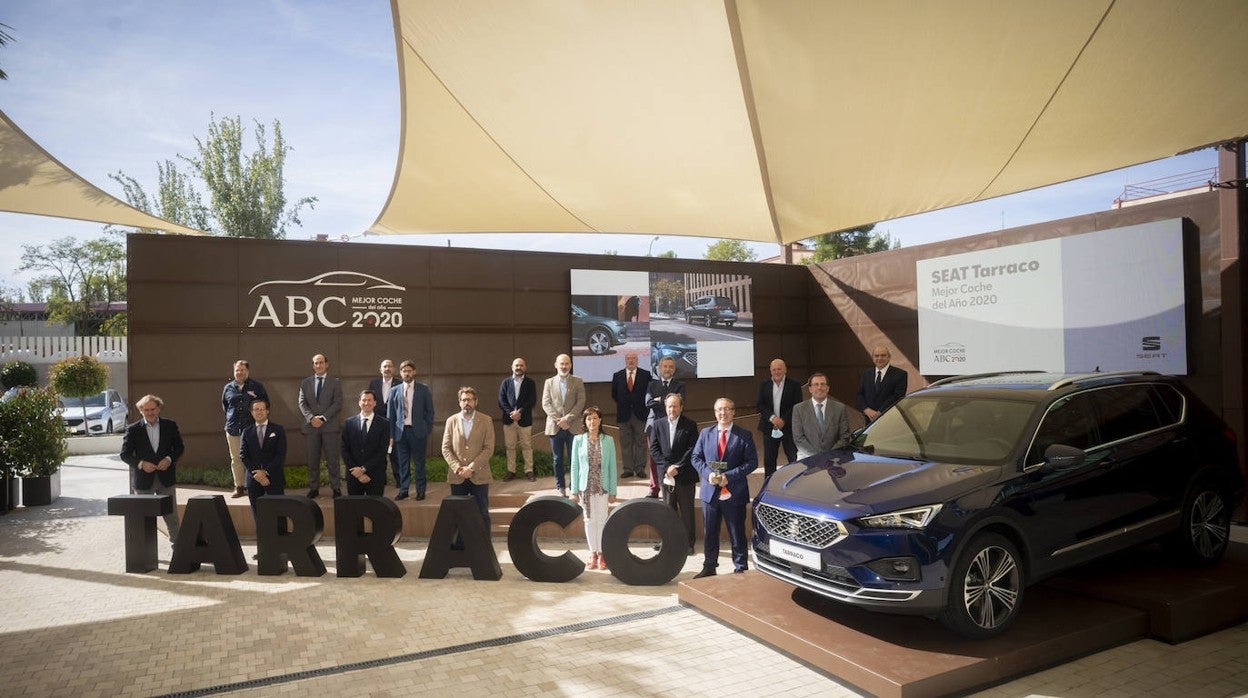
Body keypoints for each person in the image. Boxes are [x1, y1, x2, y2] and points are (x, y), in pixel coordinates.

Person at [691, 397, 758, 577]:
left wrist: (729, 476)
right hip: (710, 493)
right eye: (719, 410)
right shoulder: (705, 433)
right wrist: (709, 474)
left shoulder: (744, 435)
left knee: (737, 533)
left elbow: (752, 463)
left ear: (733, 412)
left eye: (727, 409)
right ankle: (709, 567)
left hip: (734, 493)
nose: (723, 413)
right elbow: (695, 458)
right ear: (715, 413)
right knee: (710, 532)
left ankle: (740, 568)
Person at [120, 394, 186, 542]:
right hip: (143, 481)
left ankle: (178, 550)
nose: (150, 413)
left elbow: (179, 448)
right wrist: (141, 464)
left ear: (159, 409)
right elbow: (125, 455)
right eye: (146, 410)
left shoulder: (170, 425)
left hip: (166, 479)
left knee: (172, 516)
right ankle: (145, 556)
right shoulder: (133, 430)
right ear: (141, 411)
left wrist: (169, 459)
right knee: (143, 518)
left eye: (153, 409)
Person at [648, 393, 699, 555]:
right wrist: (667, 466)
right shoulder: (657, 424)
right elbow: (654, 449)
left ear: (681, 407)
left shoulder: (690, 425)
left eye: (675, 406)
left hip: (684, 475)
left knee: (687, 511)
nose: (672, 409)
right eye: (669, 406)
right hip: (666, 476)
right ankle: (668, 541)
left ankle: (688, 544)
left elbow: (693, 449)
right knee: (668, 511)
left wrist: (678, 466)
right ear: (665, 407)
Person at [442, 387, 495, 540]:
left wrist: (471, 468)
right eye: (464, 400)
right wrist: (458, 468)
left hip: (479, 474)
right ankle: (460, 548)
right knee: (458, 513)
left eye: (470, 400)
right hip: (457, 476)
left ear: (476, 402)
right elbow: (446, 448)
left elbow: (488, 448)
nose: (467, 403)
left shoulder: (486, 420)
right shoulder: (451, 421)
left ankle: (485, 548)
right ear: (459, 403)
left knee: (482, 513)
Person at [570, 406, 617, 571]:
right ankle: (593, 554)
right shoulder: (578, 440)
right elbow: (574, 466)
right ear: (585, 421)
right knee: (589, 520)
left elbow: (612, 467)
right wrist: (574, 490)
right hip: (586, 487)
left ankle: (603, 553)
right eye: (589, 419)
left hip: (602, 486)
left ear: (600, 420)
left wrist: (613, 491)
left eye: (595, 418)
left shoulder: (608, 440)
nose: (592, 421)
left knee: (602, 520)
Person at [297, 353, 343, 498]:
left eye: (321, 362)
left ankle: (336, 488)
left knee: (332, 459)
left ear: (326, 364)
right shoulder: (305, 382)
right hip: (311, 427)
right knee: (312, 459)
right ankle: (314, 488)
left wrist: (323, 418)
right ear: (313, 365)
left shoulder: (335, 382)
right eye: (316, 363)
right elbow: (302, 403)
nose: (318, 365)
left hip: (329, 426)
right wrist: (311, 418)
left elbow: (338, 403)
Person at [387, 359, 435, 501]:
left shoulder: (423, 389)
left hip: (418, 432)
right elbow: (391, 415)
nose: (406, 373)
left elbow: (430, 411)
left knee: (419, 463)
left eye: (409, 370)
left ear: (414, 372)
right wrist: (391, 435)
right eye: (404, 371)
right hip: (400, 433)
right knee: (403, 464)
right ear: (400, 373)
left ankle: (421, 490)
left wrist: (426, 428)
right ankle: (404, 490)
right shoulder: (394, 391)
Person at [221, 359, 268, 499]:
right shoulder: (228, 388)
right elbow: (225, 407)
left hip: (252, 429)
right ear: (233, 371)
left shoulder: (257, 386)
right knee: (236, 459)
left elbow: (265, 404)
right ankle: (239, 487)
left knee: (254, 458)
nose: (239, 372)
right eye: (237, 370)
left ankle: (254, 486)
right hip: (233, 429)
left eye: (242, 370)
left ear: (247, 371)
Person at [541, 353, 585, 497]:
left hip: (573, 427)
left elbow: (581, 402)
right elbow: (545, 403)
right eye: (562, 364)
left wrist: (568, 419)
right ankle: (560, 487)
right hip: (555, 427)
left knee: (575, 459)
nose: (564, 366)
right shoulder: (549, 382)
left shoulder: (578, 381)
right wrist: (559, 420)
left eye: (567, 364)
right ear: (556, 365)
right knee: (557, 459)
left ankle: (574, 487)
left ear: (570, 365)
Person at [644, 356, 685, 496]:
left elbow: (679, 402)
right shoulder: (651, 385)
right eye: (665, 366)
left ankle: (669, 486)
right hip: (653, 426)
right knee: (654, 458)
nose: (667, 369)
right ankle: (654, 488)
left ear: (674, 370)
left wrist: (659, 399)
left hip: (672, 426)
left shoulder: (680, 385)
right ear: (660, 368)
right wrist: (666, 399)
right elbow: (648, 403)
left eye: (671, 367)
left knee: (671, 457)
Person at [756, 358, 801, 477]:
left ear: (785, 370)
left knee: (794, 458)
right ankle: (769, 487)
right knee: (769, 461)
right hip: (769, 427)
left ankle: (796, 484)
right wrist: (772, 418)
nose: (777, 372)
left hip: (789, 428)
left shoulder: (795, 385)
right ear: (770, 371)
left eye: (779, 369)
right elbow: (760, 405)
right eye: (774, 369)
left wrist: (783, 420)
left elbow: (797, 405)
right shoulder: (764, 385)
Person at [239, 398, 286, 514]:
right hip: (253, 478)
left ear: (267, 411)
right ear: (251, 412)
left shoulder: (278, 430)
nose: (259, 412)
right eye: (256, 409)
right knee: (258, 513)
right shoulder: (246, 432)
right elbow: (243, 455)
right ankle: (262, 533)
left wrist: (265, 472)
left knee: (279, 512)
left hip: (274, 477)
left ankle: (280, 533)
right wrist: (257, 473)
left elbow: (280, 454)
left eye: (262, 409)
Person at [610, 351, 650, 480]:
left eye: (633, 358)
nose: (631, 361)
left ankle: (640, 469)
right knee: (625, 443)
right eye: (628, 358)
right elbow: (614, 395)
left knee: (641, 443)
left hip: (641, 414)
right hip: (624, 415)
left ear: (637, 360)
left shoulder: (646, 375)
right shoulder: (617, 376)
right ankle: (627, 469)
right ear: (625, 361)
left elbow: (648, 394)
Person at [342, 389, 391, 496]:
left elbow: (382, 451)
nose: (366, 403)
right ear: (359, 402)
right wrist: (358, 473)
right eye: (364, 400)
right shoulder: (349, 423)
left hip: (375, 475)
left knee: (375, 510)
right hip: (354, 474)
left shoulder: (384, 424)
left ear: (375, 403)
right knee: (355, 511)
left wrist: (364, 469)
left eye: (369, 400)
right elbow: (344, 450)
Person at [791, 372, 851, 460]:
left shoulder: (840, 408)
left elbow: (844, 436)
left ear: (828, 388)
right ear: (810, 389)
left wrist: (829, 455)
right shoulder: (798, 409)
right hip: (807, 457)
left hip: (834, 457)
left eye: (822, 384)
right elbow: (798, 438)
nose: (819, 387)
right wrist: (818, 457)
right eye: (816, 384)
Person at [498, 357, 537, 482]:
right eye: (516, 365)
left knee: (527, 446)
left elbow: (532, 400)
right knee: (510, 447)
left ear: (525, 367)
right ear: (512, 367)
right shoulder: (506, 382)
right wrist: (511, 412)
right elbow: (501, 400)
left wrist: (520, 411)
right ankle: (511, 471)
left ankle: (529, 471)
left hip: (524, 420)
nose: (518, 367)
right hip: (509, 420)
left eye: (521, 365)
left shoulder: (530, 383)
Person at [367, 359, 401, 487]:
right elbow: (370, 402)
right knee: (379, 454)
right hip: (378, 424)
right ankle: (381, 480)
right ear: (380, 369)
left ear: (393, 369)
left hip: (395, 424)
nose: (387, 368)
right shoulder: (373, 383)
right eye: (385, 366)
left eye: (390, 366)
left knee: (395, 455)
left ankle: (399, 481)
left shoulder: (400, 383)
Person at [856, 345, 908, 424]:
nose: (879, 358)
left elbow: (898, 396)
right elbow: (860, 394)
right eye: (876, 356)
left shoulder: (900, 374)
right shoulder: (867, 373)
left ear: (889, 357)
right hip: (869, 420)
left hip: (889, 419)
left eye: (883, 355)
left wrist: (880, 412)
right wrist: (866, 410)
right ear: (873, 358)